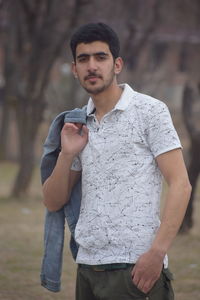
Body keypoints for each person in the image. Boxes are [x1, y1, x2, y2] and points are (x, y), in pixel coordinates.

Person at [42, 23, 191, 300]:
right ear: (74, 69)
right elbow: (52, 201)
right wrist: (67, 154)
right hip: (87, 266)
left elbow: (181, 184)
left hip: (135, 268)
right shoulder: (78, 124)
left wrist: (156, 254)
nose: (92, 66)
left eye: (101, 57)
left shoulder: (150, 111)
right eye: (83, 59)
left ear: (117, 64)